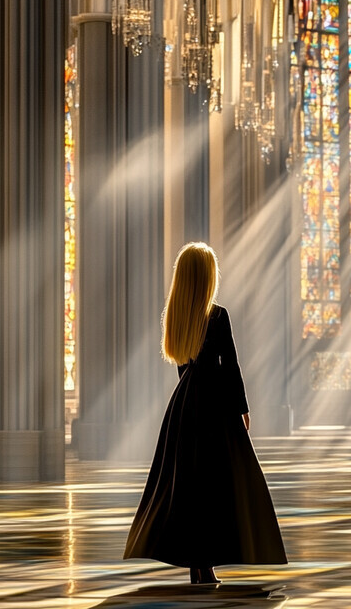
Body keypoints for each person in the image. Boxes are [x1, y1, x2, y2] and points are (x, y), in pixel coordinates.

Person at [123, 242, 287, 584]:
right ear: (206, 276)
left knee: (187, 487)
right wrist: (241, 407)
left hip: (183, 408)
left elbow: (183, 368)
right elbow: (230, 366)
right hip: (215, 407)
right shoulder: (217, 314)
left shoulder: (177, 315)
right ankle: (208, 564)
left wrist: (189, 399)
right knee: (219, 487)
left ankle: (198, 566)